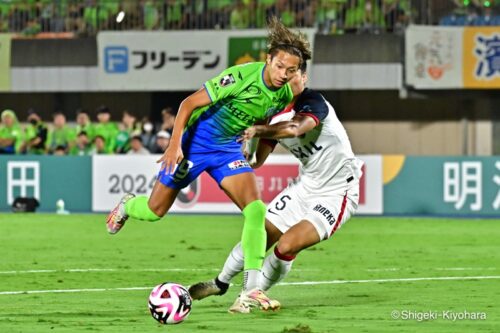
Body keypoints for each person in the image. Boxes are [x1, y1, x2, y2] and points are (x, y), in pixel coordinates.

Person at [106, 17, 312, 310]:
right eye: (280, 66)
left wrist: (254, 155)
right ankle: (127, 205)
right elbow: (188, 104)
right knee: (155, 211)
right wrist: (174, 145)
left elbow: (263, 121)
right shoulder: (240, 77)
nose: (284, 74)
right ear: (268, 59)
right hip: (195, 146)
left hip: (227, 151)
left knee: (256, 210)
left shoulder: (283, 93)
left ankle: (251, 289)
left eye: (291, 70)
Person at [188, 62, 363, 313]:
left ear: (304, 77)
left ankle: (251, 293)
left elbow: (295, 127)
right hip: (305, 185)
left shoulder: (313, 102)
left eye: (296, 74)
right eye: (286, 73)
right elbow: (258, 160)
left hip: (337, 192)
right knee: (262, 233)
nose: (290, 79)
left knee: (287, 245)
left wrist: (258, 129)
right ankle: (220, 283)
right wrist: (246, 155)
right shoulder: (271, 111)